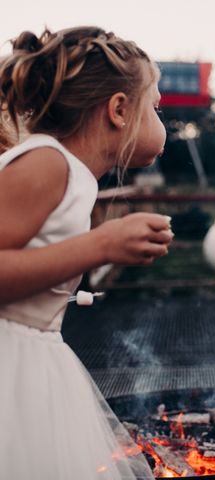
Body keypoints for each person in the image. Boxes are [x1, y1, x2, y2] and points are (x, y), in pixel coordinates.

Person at [0, 27, 173, 479]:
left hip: (33, 366)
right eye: (155, 107)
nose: (162, 122)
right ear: (119, 110)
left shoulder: (70, 172)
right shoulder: (46, 162)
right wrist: (101, 244)